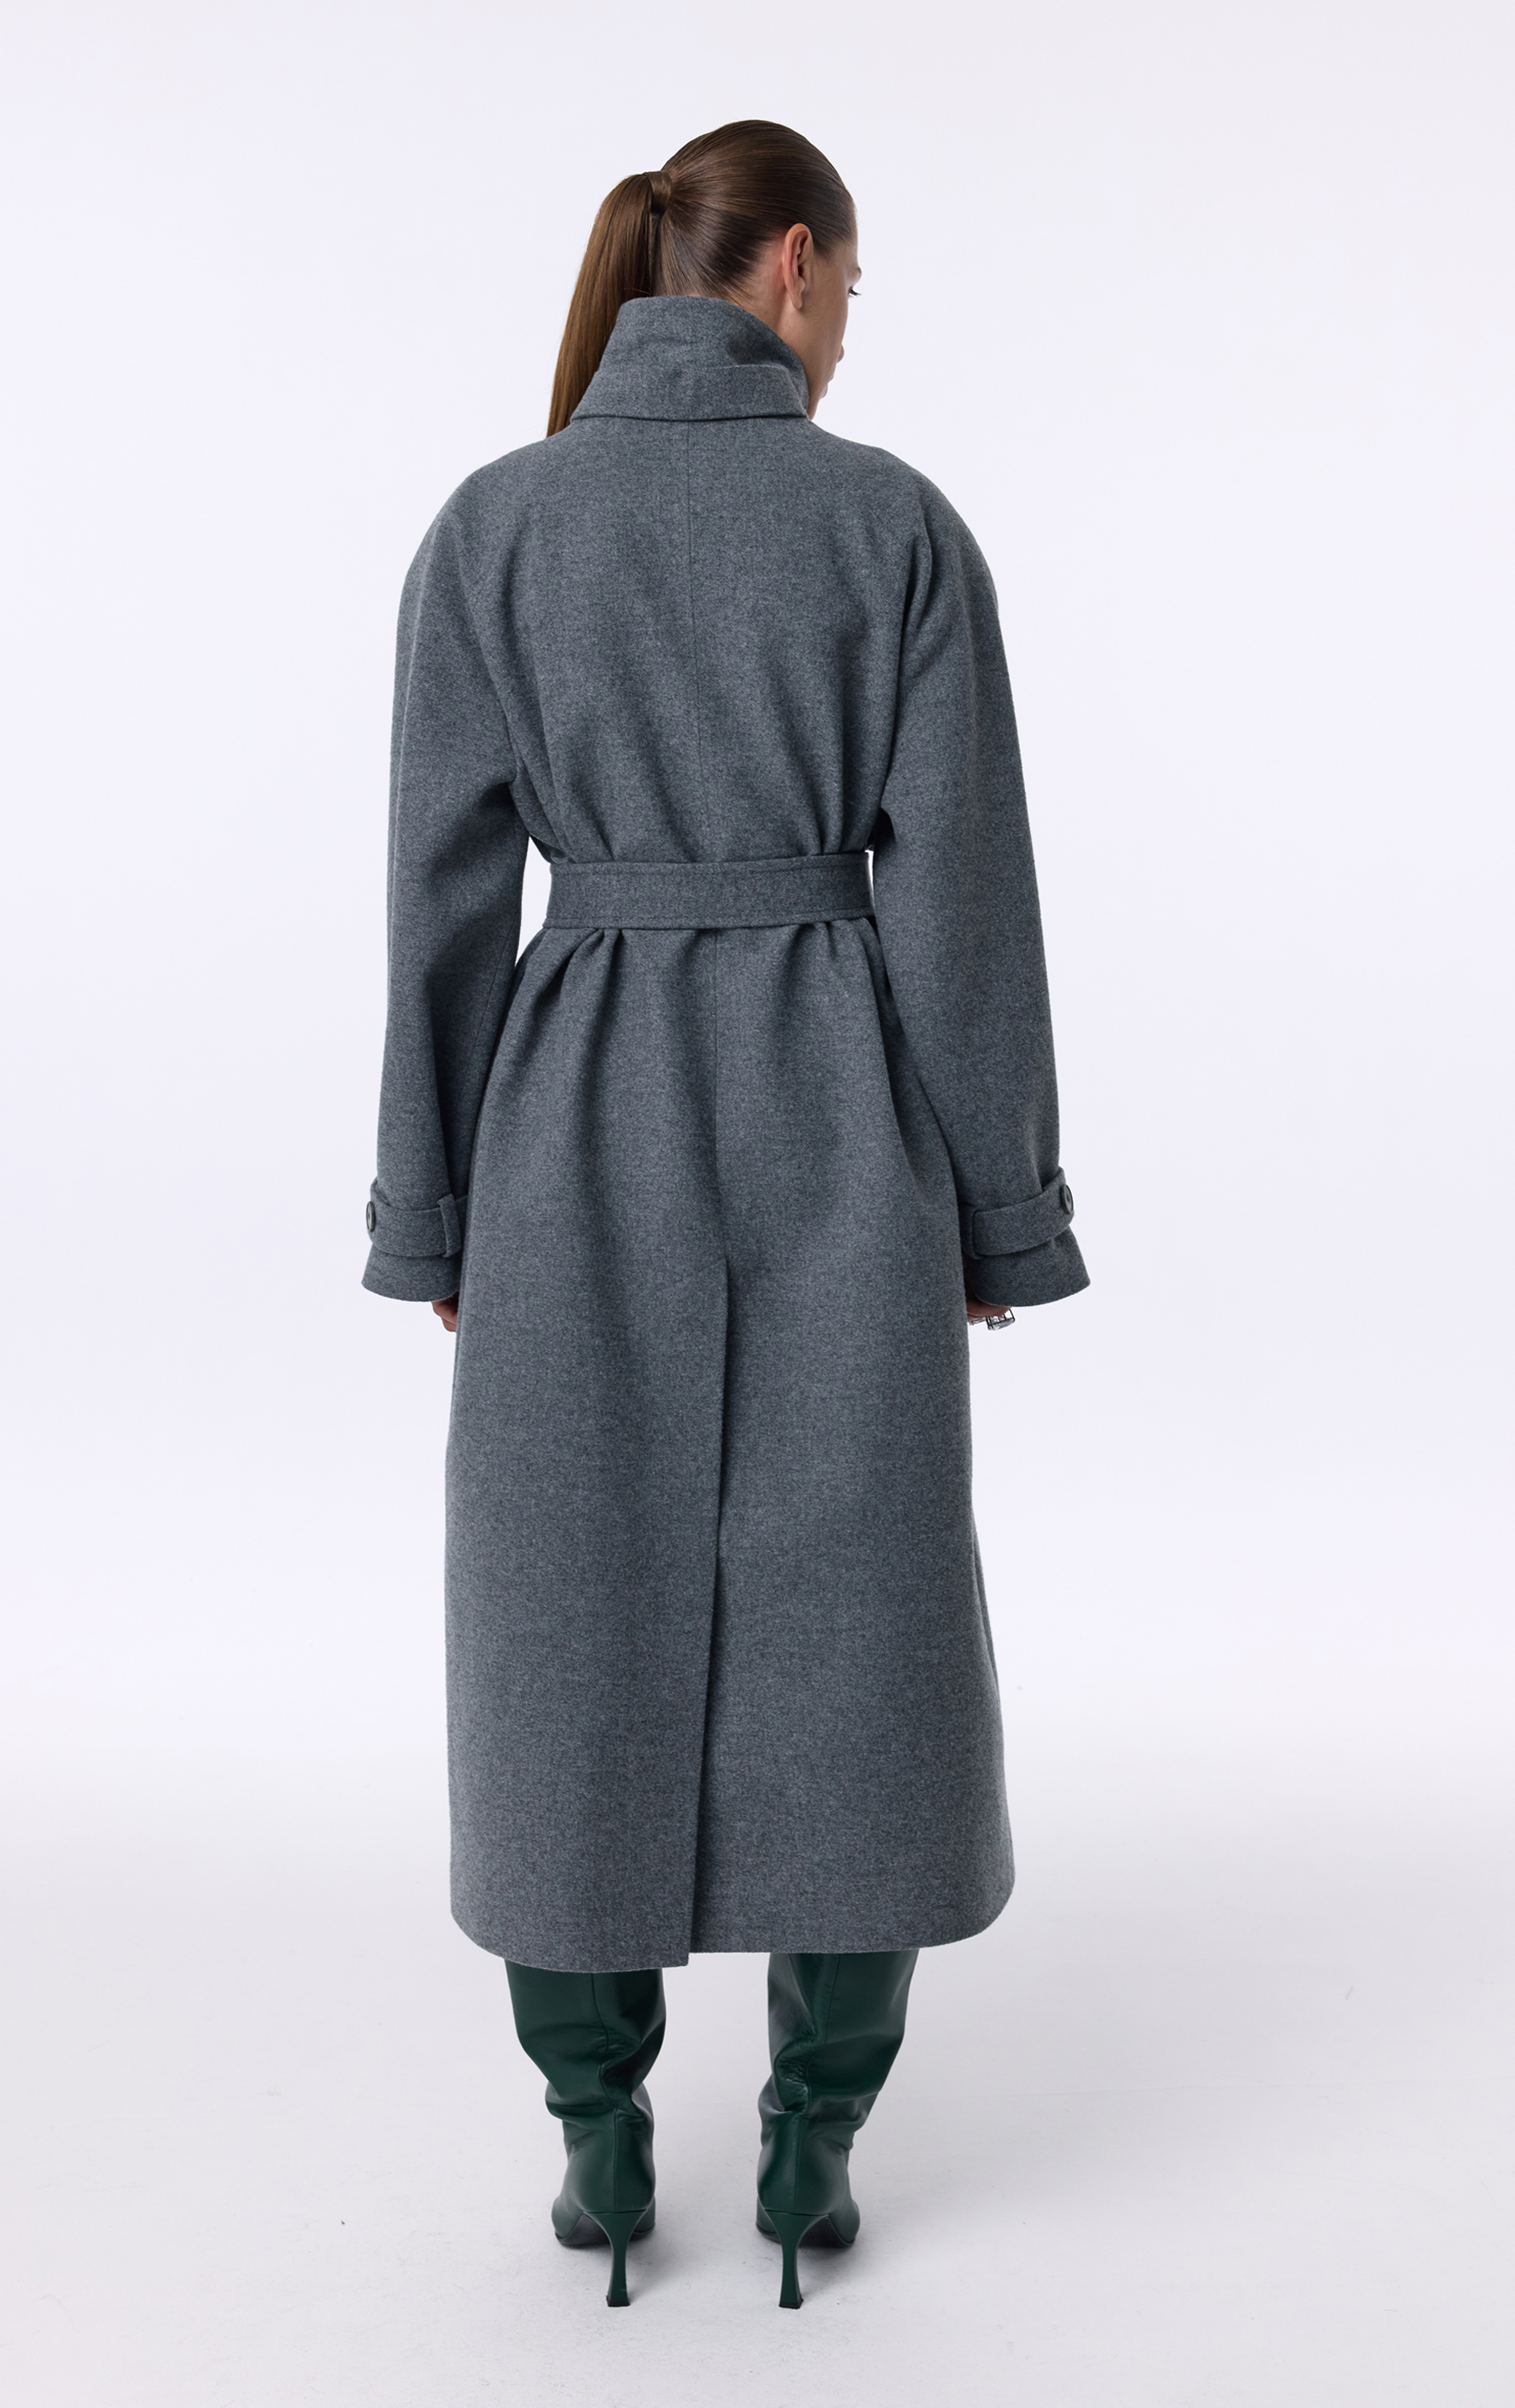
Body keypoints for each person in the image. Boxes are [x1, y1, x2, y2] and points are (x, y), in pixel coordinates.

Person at [362, 119, 1088, 2311]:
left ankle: (597, 2138)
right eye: (849, 289)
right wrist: (996, 1210)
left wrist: (438, 1211)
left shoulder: (494, 527)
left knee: (560, 1606)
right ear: (790, 266)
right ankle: (813, 2144)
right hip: (840, 1104)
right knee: (861, 1612)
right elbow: (965, 902)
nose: (847, 331)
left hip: (570, 1110)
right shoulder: (894, 529)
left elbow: (440, 905)